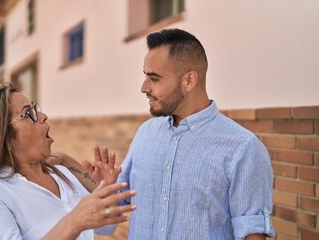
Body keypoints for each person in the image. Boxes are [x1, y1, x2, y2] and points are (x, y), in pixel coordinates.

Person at [114, 28, 274, 239]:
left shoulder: (243, 148)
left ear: (189, 81)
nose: (144, 87)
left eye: (154, 78)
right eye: (146, 76)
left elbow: (252, 234)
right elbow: (119, 197)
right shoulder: (145, 133)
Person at [0, 84, 136, 240]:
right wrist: (75, 221)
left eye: (36, 108)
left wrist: (104, 189)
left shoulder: (62, 173)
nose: (43, 116)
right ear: (3, 137)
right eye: (28, 113)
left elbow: (106, 227)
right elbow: (79, 220)